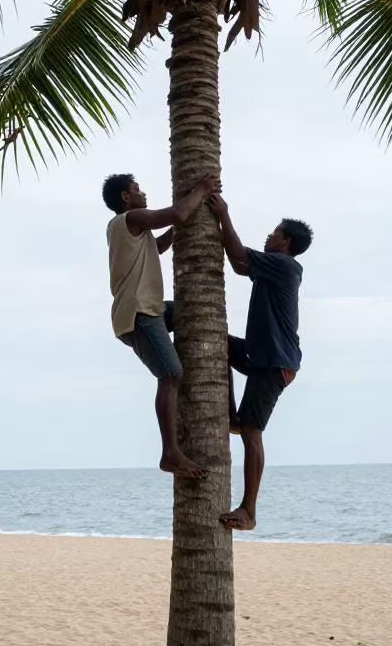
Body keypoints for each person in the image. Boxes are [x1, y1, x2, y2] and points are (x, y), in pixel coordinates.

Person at [103, 172, 220, 480]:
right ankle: (170, 453)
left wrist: (179, 228)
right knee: (170, 375)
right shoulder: (130, 219)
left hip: (151, 309)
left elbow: (159, 245)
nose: (142, 193)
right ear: (126, 198)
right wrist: (201, 190)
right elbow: (177, 212)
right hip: (139, 314)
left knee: (192, 313)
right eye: (137, 189)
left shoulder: (131, 231)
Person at [207, 194, 313, 531]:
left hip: (275, 362)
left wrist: (223, 214)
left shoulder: (284, 265)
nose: (268, 236)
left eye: (274, 233)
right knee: (216, 345)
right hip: (259, 355)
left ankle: (249, 511)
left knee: (253, 433)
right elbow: (240, 265)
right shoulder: (273, 268)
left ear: (287, 242)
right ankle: (234, 417)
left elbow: (239, 257)